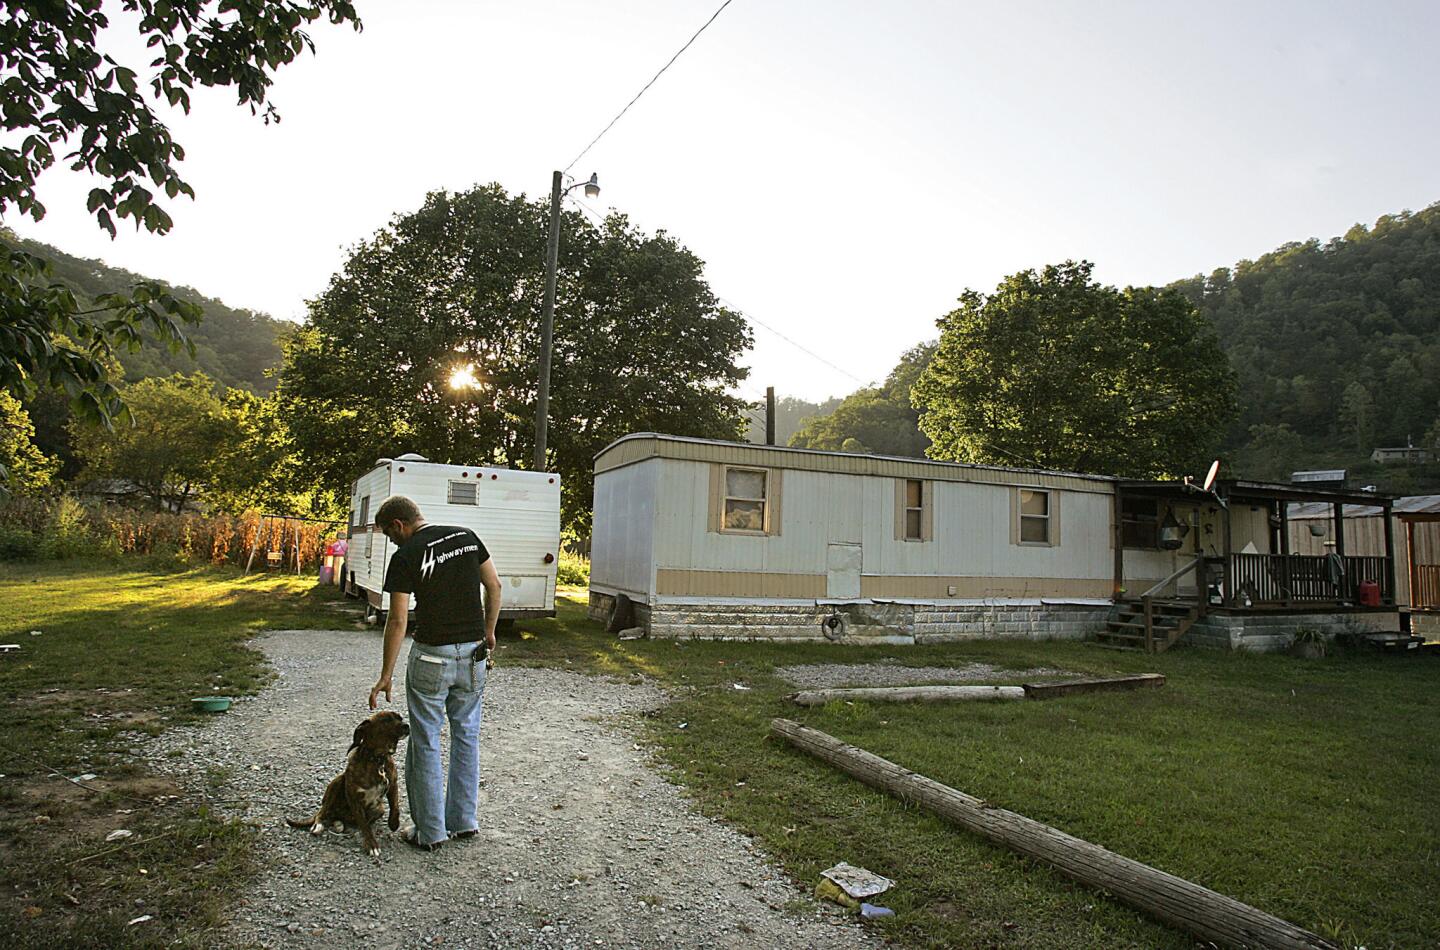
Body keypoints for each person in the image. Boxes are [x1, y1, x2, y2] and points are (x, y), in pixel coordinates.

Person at [367, 495, 502, 851]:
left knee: (426, 740)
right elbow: (495, 586)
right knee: (466, 736)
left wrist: (386, 673)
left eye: (389, 535)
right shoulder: (466, 536)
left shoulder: (405, 555)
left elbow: (397, 620)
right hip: (473, 655)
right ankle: (463, 821)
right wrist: (489, 632)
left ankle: (430, 832)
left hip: (431, 658)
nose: (391, 542)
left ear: (399, 525)